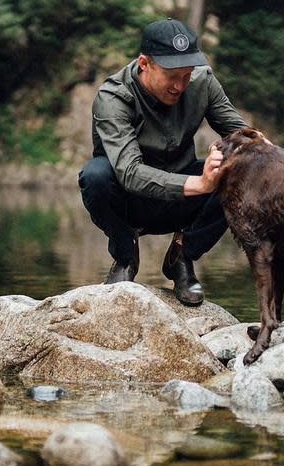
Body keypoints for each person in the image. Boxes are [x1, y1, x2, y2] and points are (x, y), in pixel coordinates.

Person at [78, 17, 248, 305]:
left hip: (180, 202)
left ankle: (182, 257)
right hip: (131, 199)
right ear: (144, 63)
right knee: (94, 175)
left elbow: (241, 135)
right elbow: (130, 172)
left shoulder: (203, 82)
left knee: (240, 172)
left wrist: (264, 151)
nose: (180, 85)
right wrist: (201, 183)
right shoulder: (113, 97)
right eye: (172, 75)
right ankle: (124, 255)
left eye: (186, 74)